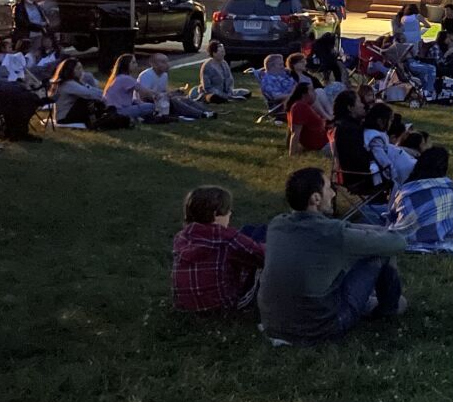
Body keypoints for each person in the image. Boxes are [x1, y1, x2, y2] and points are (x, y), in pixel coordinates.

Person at [257, 166, 406, 344]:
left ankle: (371, 302)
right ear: (316, 198)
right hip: (321, 329)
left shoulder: (277, 225)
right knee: (379, 253)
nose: (334, 194)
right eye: (329, 188)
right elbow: (397, 243)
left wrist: (368, 230)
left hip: (274, 324)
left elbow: (339, 231)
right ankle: (389, 308)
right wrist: (383, 232)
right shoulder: (333, 234)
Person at [172, 185, 267, 313]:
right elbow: (264, 255)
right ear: (216, 214)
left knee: (248, 232)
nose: (230, 214)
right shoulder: (227, 238)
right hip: (224, 306)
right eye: (228, 211)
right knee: (262, 241)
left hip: (186, 306)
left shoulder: (181, 237)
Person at [51, 57, 127, 128]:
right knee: (87, 101)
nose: (81, 71)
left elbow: (91, 89)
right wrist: (107, 97)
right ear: (70, 70)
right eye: (78, 68)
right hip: (64, 118)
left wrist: (108, 94)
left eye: (81, 68)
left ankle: (111, 115)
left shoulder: (76, 82)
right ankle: (102, 119)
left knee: (94, 102)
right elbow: (88, 94)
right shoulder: (68, 84)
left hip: (70, 114)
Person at [138, 52, 215, 120]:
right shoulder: (146, 75)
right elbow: (144, 96)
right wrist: (164, 96)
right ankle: (201, 115)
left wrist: (174, 92)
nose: (166, 64)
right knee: (175, 101)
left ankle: (207, 111)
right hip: (149, 104)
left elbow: (163, 92)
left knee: (184, 99)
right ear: (153, 64)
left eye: (166, 62)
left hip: (161, 101)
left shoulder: (164, 75)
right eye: (163, 62)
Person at [363, 102, 416, 186]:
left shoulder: (376, 134)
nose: (391, 123)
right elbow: (381, 157)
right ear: (380, 121)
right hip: (395, 167)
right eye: (390, 120)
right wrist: (391, 171)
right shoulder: (374, 137)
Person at [103, 54, 161, 122]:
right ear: (126, 65)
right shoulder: (126, 79)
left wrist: (137, 102)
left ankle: (138, 117)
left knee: (137, 103)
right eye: (133, 62)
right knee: (151, 107)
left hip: (111, 109)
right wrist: (161, 95)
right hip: (119, 111)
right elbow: (146, 92)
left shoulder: (116, 78)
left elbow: (124, 98)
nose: (136, 64)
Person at [287, 82, 330, 155]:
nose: (315, 93)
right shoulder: (299, 107)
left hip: (325, 140)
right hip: (322, 145)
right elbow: (295, 133)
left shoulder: (305, 105)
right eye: (312, 90)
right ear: (304, 94)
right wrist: (292, 153)